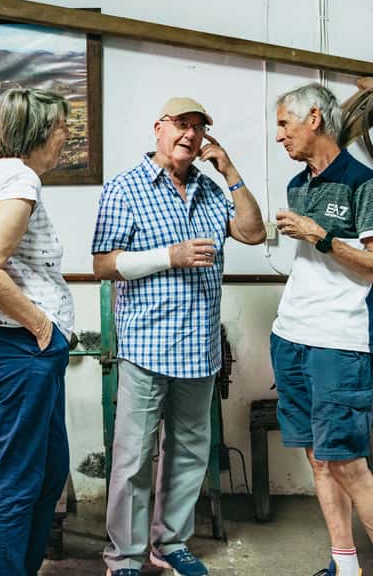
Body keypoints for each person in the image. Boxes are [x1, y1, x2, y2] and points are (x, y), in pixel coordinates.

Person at [92, 97, 266, 576]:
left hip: (199, 349)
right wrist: (169, 256)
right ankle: (124, 558)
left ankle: (169, 544)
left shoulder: (211, 190)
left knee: (189, 452)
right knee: (133, 458)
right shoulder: (124, 188)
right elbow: (103, 264)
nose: (189, 134)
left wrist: (231, 171)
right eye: (180, 124)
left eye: (197, 127)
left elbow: (253, 232)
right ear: (158, 128)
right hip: (146, 347)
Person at [269, 81, 373, 576]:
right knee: (319, 460)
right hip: (291, 335)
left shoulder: (362, 184)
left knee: (349, 463)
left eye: (284, 124)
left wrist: (320, 235)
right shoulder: (298, 185)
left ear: (314, 119)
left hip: (340, 343)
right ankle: (345, 567)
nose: (279, 136)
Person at [0, 87, 75, 576]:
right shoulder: (19, 179)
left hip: (29, 348)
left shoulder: (8, 176)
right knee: (20, 478)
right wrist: (41, 324)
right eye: (61, 127)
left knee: (49, 470)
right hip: (23, 347)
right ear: (39, 132)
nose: (67, 135)